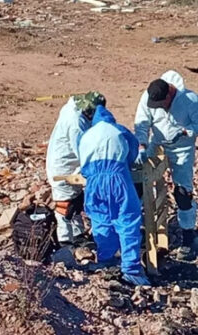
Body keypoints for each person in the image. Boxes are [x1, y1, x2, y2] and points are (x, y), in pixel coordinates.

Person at [134, 70, 198, 259]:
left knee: (183, 193)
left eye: (162, 104)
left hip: (181, 148)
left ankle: (188, 238)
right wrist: (142, 145)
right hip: (157, 143)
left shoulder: (191, 100)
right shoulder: (149, 96)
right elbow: (142, 123)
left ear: (169, 95)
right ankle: (140, 227)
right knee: (138, 180)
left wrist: (185, 132)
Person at [79, 105, 150, 286]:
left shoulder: (86, 135)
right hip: (117, 178)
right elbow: (133, 153)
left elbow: (82, 162)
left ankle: (105, 260)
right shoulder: (118, 130)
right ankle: (131, 269)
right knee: (127, 220)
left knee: (100, 220)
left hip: (94, 182)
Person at [46, 92, 105, 246]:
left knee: (76, 200)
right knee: (64, 205)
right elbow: (82, 150)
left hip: (70, 163)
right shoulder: (76, 123)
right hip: (63, 166)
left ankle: (78, 235)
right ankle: (65, 239)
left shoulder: (72, 108)